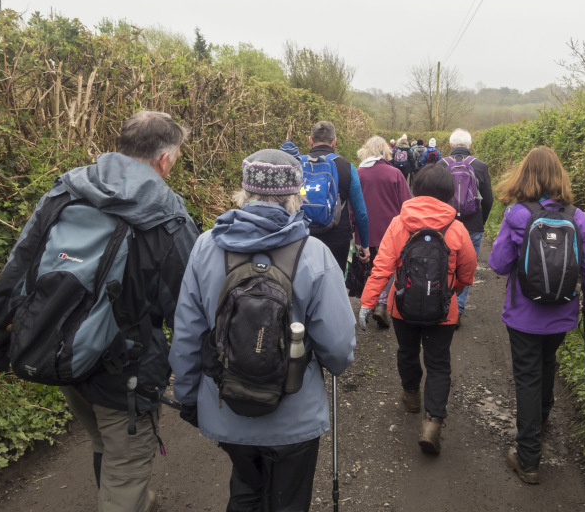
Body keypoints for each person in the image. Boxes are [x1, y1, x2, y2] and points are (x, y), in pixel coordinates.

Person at [0, 110, 200, 512]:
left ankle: (138, 500)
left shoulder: (65, 191)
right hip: (126, 372)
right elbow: (189, 307)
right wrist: (198, 381)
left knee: (100, 441)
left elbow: (15, 276)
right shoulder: (166, 213)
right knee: (125, 460)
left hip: (65, 354)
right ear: (166, 160)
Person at [169, 148, 356, 511]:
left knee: (245, 487)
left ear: (244, 191)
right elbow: (338, 348)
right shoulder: (314, 253)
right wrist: (333, 363)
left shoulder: (206, 247)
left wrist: (189, 397)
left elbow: (188, 335)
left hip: (227, 409)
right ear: (295, 194)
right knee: (288, 500)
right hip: (294, 418)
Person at [487, 146, 585, 485]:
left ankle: (528, 459)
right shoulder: (577, 217)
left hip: (523, 315)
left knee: (527, 375)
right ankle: (542, 421)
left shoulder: (517, 214)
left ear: (524, 175)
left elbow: (498, 264)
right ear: (559, 176)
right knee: (547, 362)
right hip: (562, 313)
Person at [358, 164, 477, 454]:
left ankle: (411, 395)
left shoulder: (399, 224)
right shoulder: (457, 228)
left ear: (417, 190)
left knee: (407, 352)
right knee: (438, 364)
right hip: (442, 311)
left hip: (403, 309)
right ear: (449, 195)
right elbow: (468, 271)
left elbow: (382, 268)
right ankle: (433, 422)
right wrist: (453, 292)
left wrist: (367, 302)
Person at [438, 128, 493, 326]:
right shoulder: (480, 166)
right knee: (467, 267)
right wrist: (481, 221)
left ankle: (442, 303)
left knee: (444, 263)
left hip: (445, 225)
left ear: (451, 146)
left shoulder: (441, 164)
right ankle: (458, 308)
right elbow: (488, 200)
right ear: (470, 146)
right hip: (473, 224)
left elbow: (436, 197)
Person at [355, 135, 411, 327]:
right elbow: (407, 205)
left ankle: (368, 303)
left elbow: (351, 207)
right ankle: (381, 303)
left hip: (365, 232)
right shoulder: (395, 174)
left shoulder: (358, 173)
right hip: (391, 232)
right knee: (389, 268)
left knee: (370, 269)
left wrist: (353, 230)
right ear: (386, 151)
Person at [305, 120, 370, 271]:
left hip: (303, 236)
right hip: (337, 238)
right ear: (334, 142)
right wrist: (364, 245)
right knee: (334, 285)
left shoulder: (297, 164)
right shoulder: (347, 167)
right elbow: (360, 212)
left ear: (310, 140)